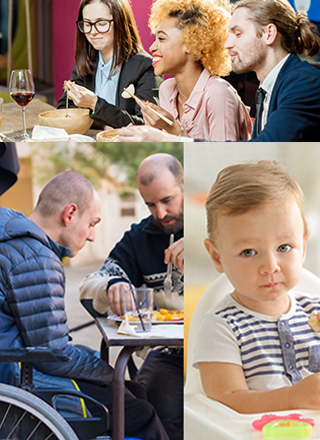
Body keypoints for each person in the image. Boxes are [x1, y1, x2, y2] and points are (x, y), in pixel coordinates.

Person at [0, 170, 170, 440]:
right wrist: (107, 372)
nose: (92, 236)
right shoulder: (37, 258)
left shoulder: (13, 238)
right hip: (19, 378)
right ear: (69, 214)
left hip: (16, 363)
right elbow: (53, 354)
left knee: (133, 391)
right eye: (92, 224)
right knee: (142, 413)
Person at [192, 160, 320, 414]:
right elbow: (227, 400)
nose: (270, 266)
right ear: (217, 257)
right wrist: (292, 398)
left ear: (303, 246)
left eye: (284, 247)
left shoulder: (315, 311)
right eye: (249, 252)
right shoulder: (220, 327)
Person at [80, 153, 184, 440]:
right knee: (146, 404)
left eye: (167, 200)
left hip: (229, 344)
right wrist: (113, 286)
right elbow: (91, 284)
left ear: (185, 186)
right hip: (171, 353)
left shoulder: (218, 225)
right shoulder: (139, 238)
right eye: (150, 204)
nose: (160, 213)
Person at [119, 0, 320, 142]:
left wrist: (168, 136)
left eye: (238, 33)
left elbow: (264, 149)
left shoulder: (304, 82)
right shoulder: (267, 88)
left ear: (269, 34)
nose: (227, 44)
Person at [124, 0, 252, 141]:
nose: (152, 47)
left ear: (190, 43)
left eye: (161, 38)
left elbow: (224, 156)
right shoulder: (166, 89)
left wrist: (171, 129)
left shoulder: (218, 94)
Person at [57, 0, 162, 129]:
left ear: (120, 22)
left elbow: (147, 124)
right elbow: (64, 109)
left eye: (101, 24)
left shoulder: (145, 66)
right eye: (87, 24)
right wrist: (104, 124)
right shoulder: (88, 60)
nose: (92, 32)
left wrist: (95, 104)